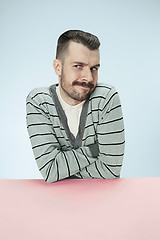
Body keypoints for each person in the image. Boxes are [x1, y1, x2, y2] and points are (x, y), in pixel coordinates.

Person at [26, 30, 125, 183]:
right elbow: (50, 170)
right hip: (57, 200)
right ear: (58, 67)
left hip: (103, 198)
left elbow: (111, 170)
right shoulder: (40, 101)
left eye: (94, 68)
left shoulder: (106, 97)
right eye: (78, 66)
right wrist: (95, 149)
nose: (89, 78)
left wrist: (62, 168)